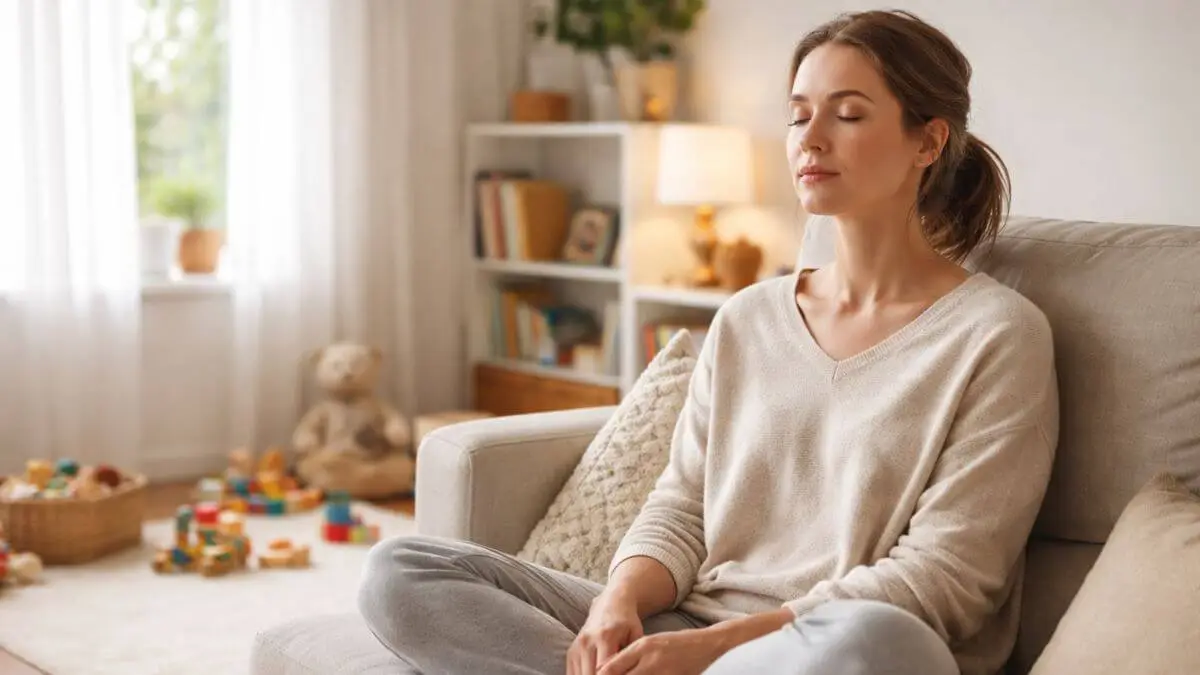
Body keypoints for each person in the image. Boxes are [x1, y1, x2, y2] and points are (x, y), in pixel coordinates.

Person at [357, 9, 1058, 675]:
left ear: (928, 142)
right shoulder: (748, 317)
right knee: (401, 572)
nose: (810, 137)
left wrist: (714, 652)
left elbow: (945, 579)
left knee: (877, 640)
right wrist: (616, 601)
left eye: (847, 114)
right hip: (689, 625)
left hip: (824, 648)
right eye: (797, 114)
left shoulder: (996, 335)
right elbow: (682, 503)